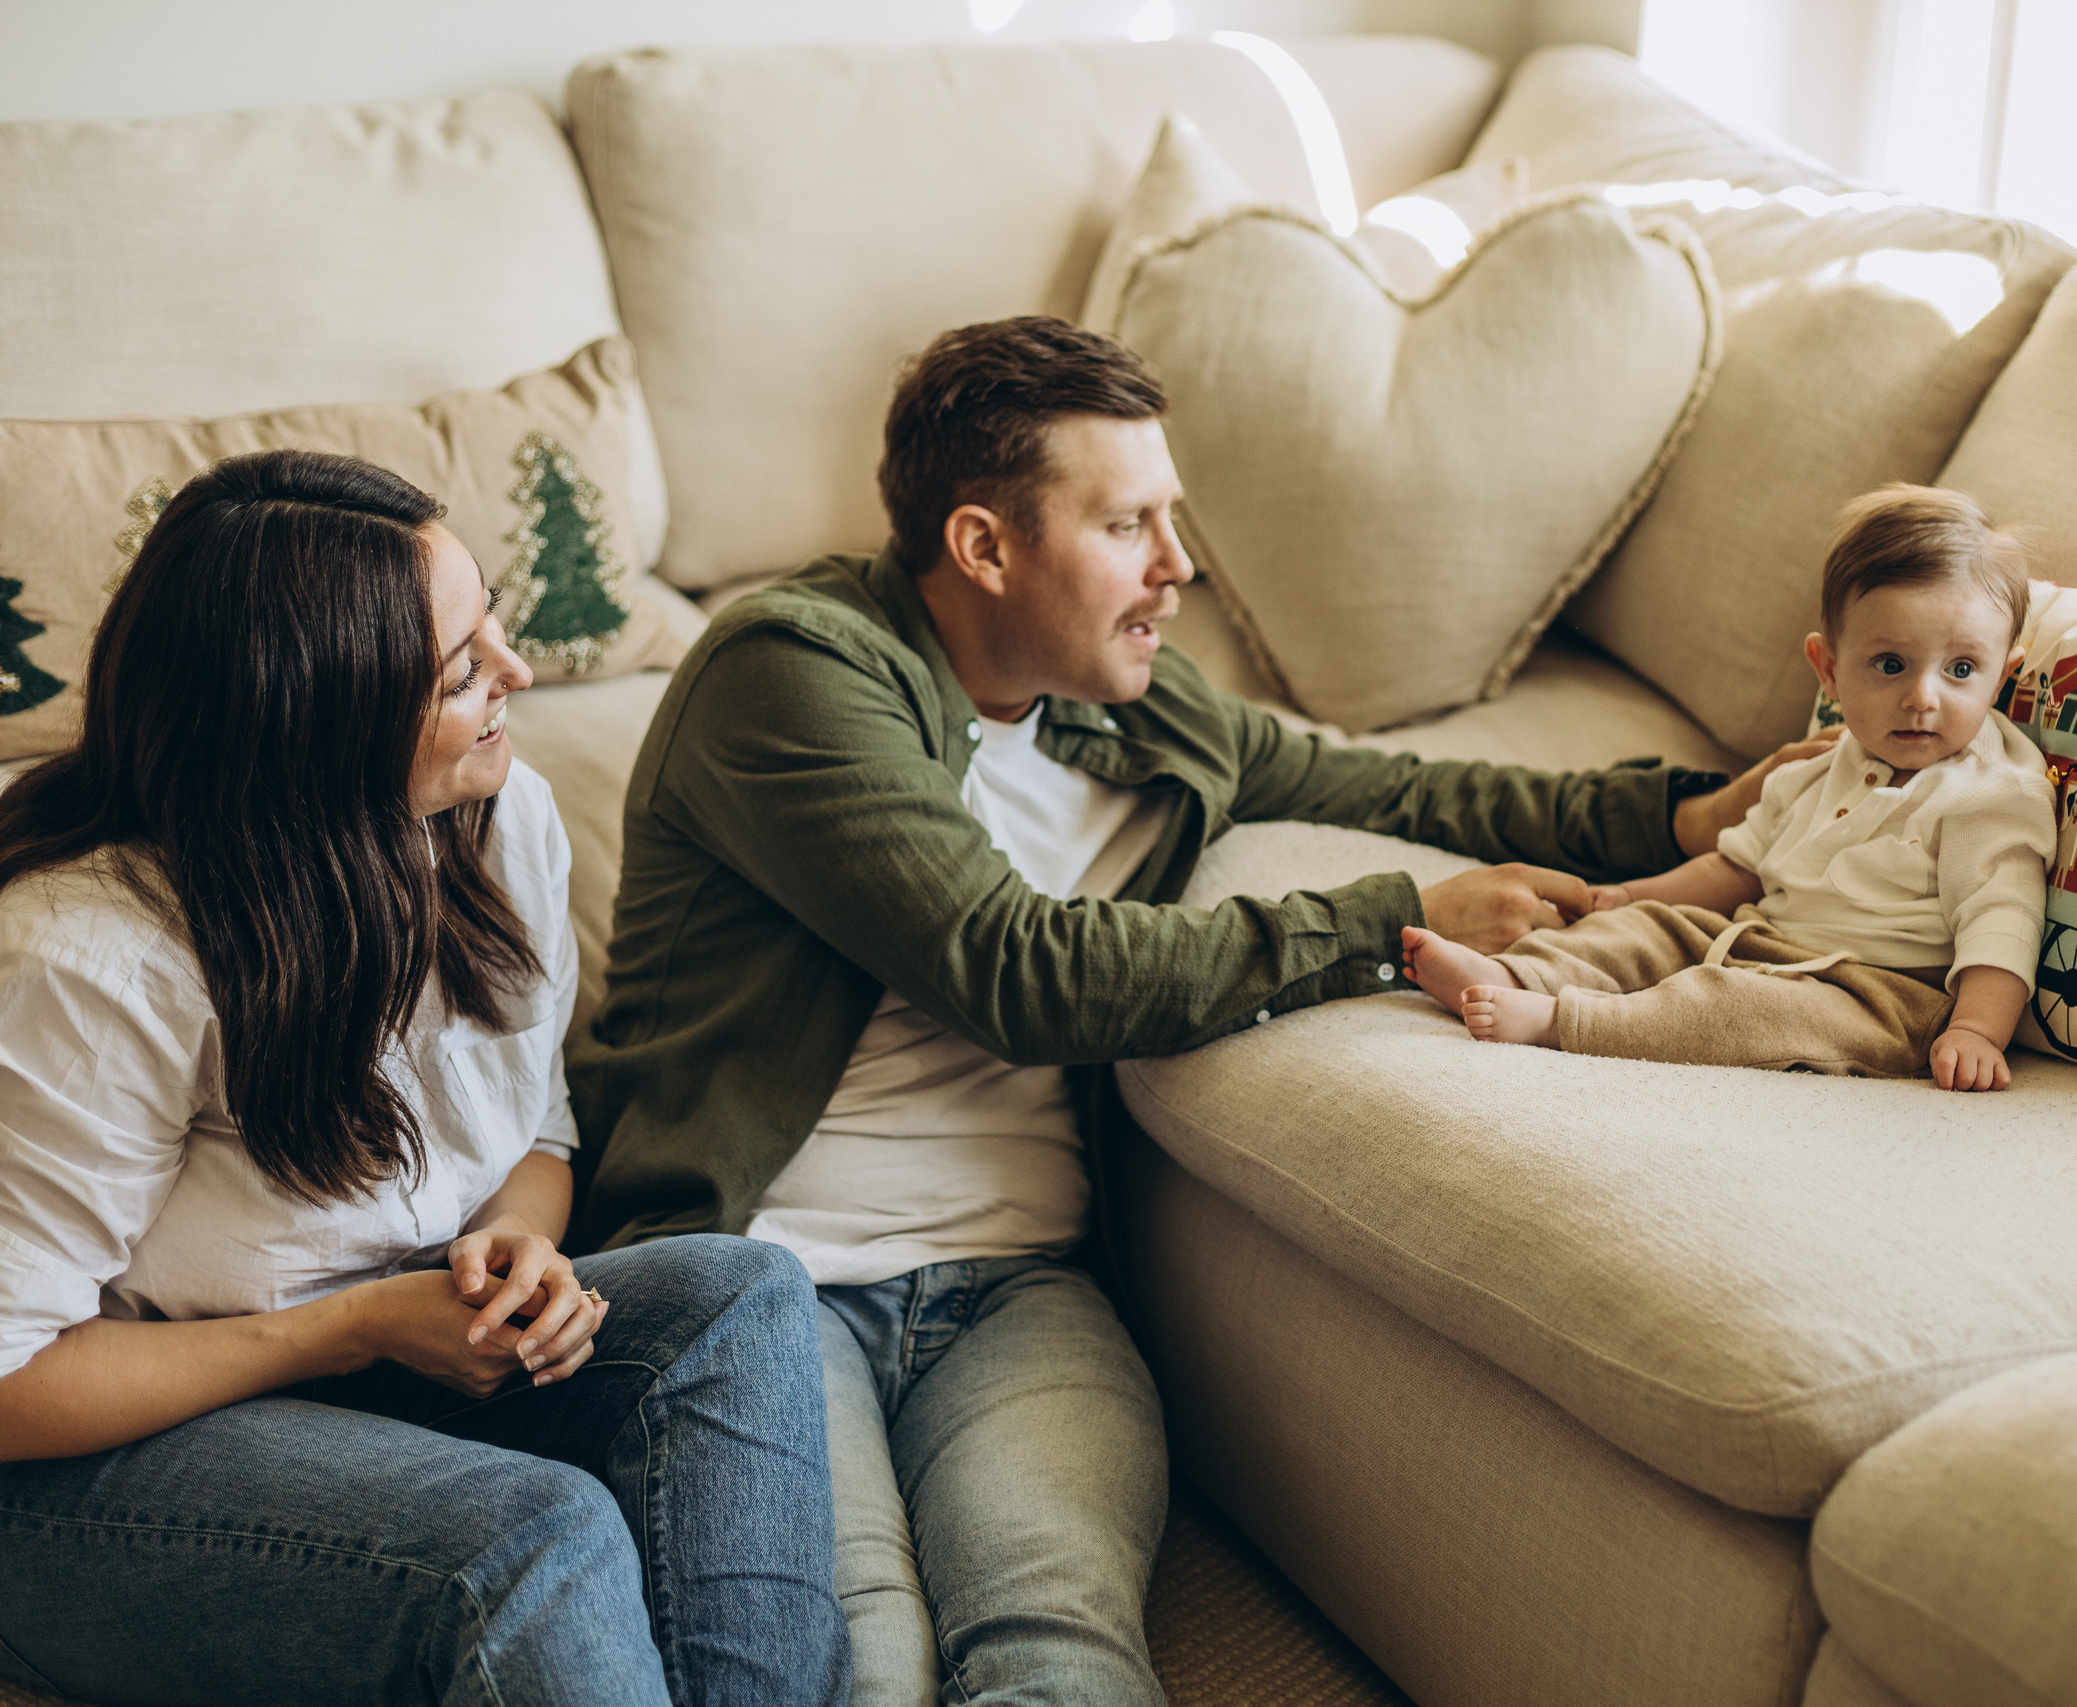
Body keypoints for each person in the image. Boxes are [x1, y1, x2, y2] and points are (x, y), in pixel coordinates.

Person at [567, 316, 1824, 1705]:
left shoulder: (1133, 701)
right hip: (767, 1277)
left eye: (1171, 517)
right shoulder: (792, 674)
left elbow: (1381, 785)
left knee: (1055, 1631)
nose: (1181, 563)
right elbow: (1017, 968)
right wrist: (1385, 924)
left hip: (1021, 1288)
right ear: (984, 546)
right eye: (1128, 524)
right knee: (859, 1650)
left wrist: (1674, 807)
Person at [0, 451, 847, 1707]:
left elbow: (533, 1132)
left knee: (743, 1296)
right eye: (459, 672)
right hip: (68, 1460)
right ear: (316, 721)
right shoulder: (91, 957)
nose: (519, 674)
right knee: (529, 1536)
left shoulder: (495, 818)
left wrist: (511, 1254)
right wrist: (348, 1328)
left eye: (491, 621)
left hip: (379, 1350)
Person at [1402, 483, 2056, 1092]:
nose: (1923, 697)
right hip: (1754, 937)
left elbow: (2003, 920)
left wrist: (1975, 1029)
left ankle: (1560, 1020)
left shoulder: (1993, 795)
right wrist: (1627, 897)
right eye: (1890, 664)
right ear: (1828, 670)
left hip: (1877, 995)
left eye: (1962, 669)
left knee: (1736, 1008)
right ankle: (1518, 972)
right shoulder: (1818, 767)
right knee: (1653, 929)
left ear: (2004, 675)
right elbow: (1733, 865)